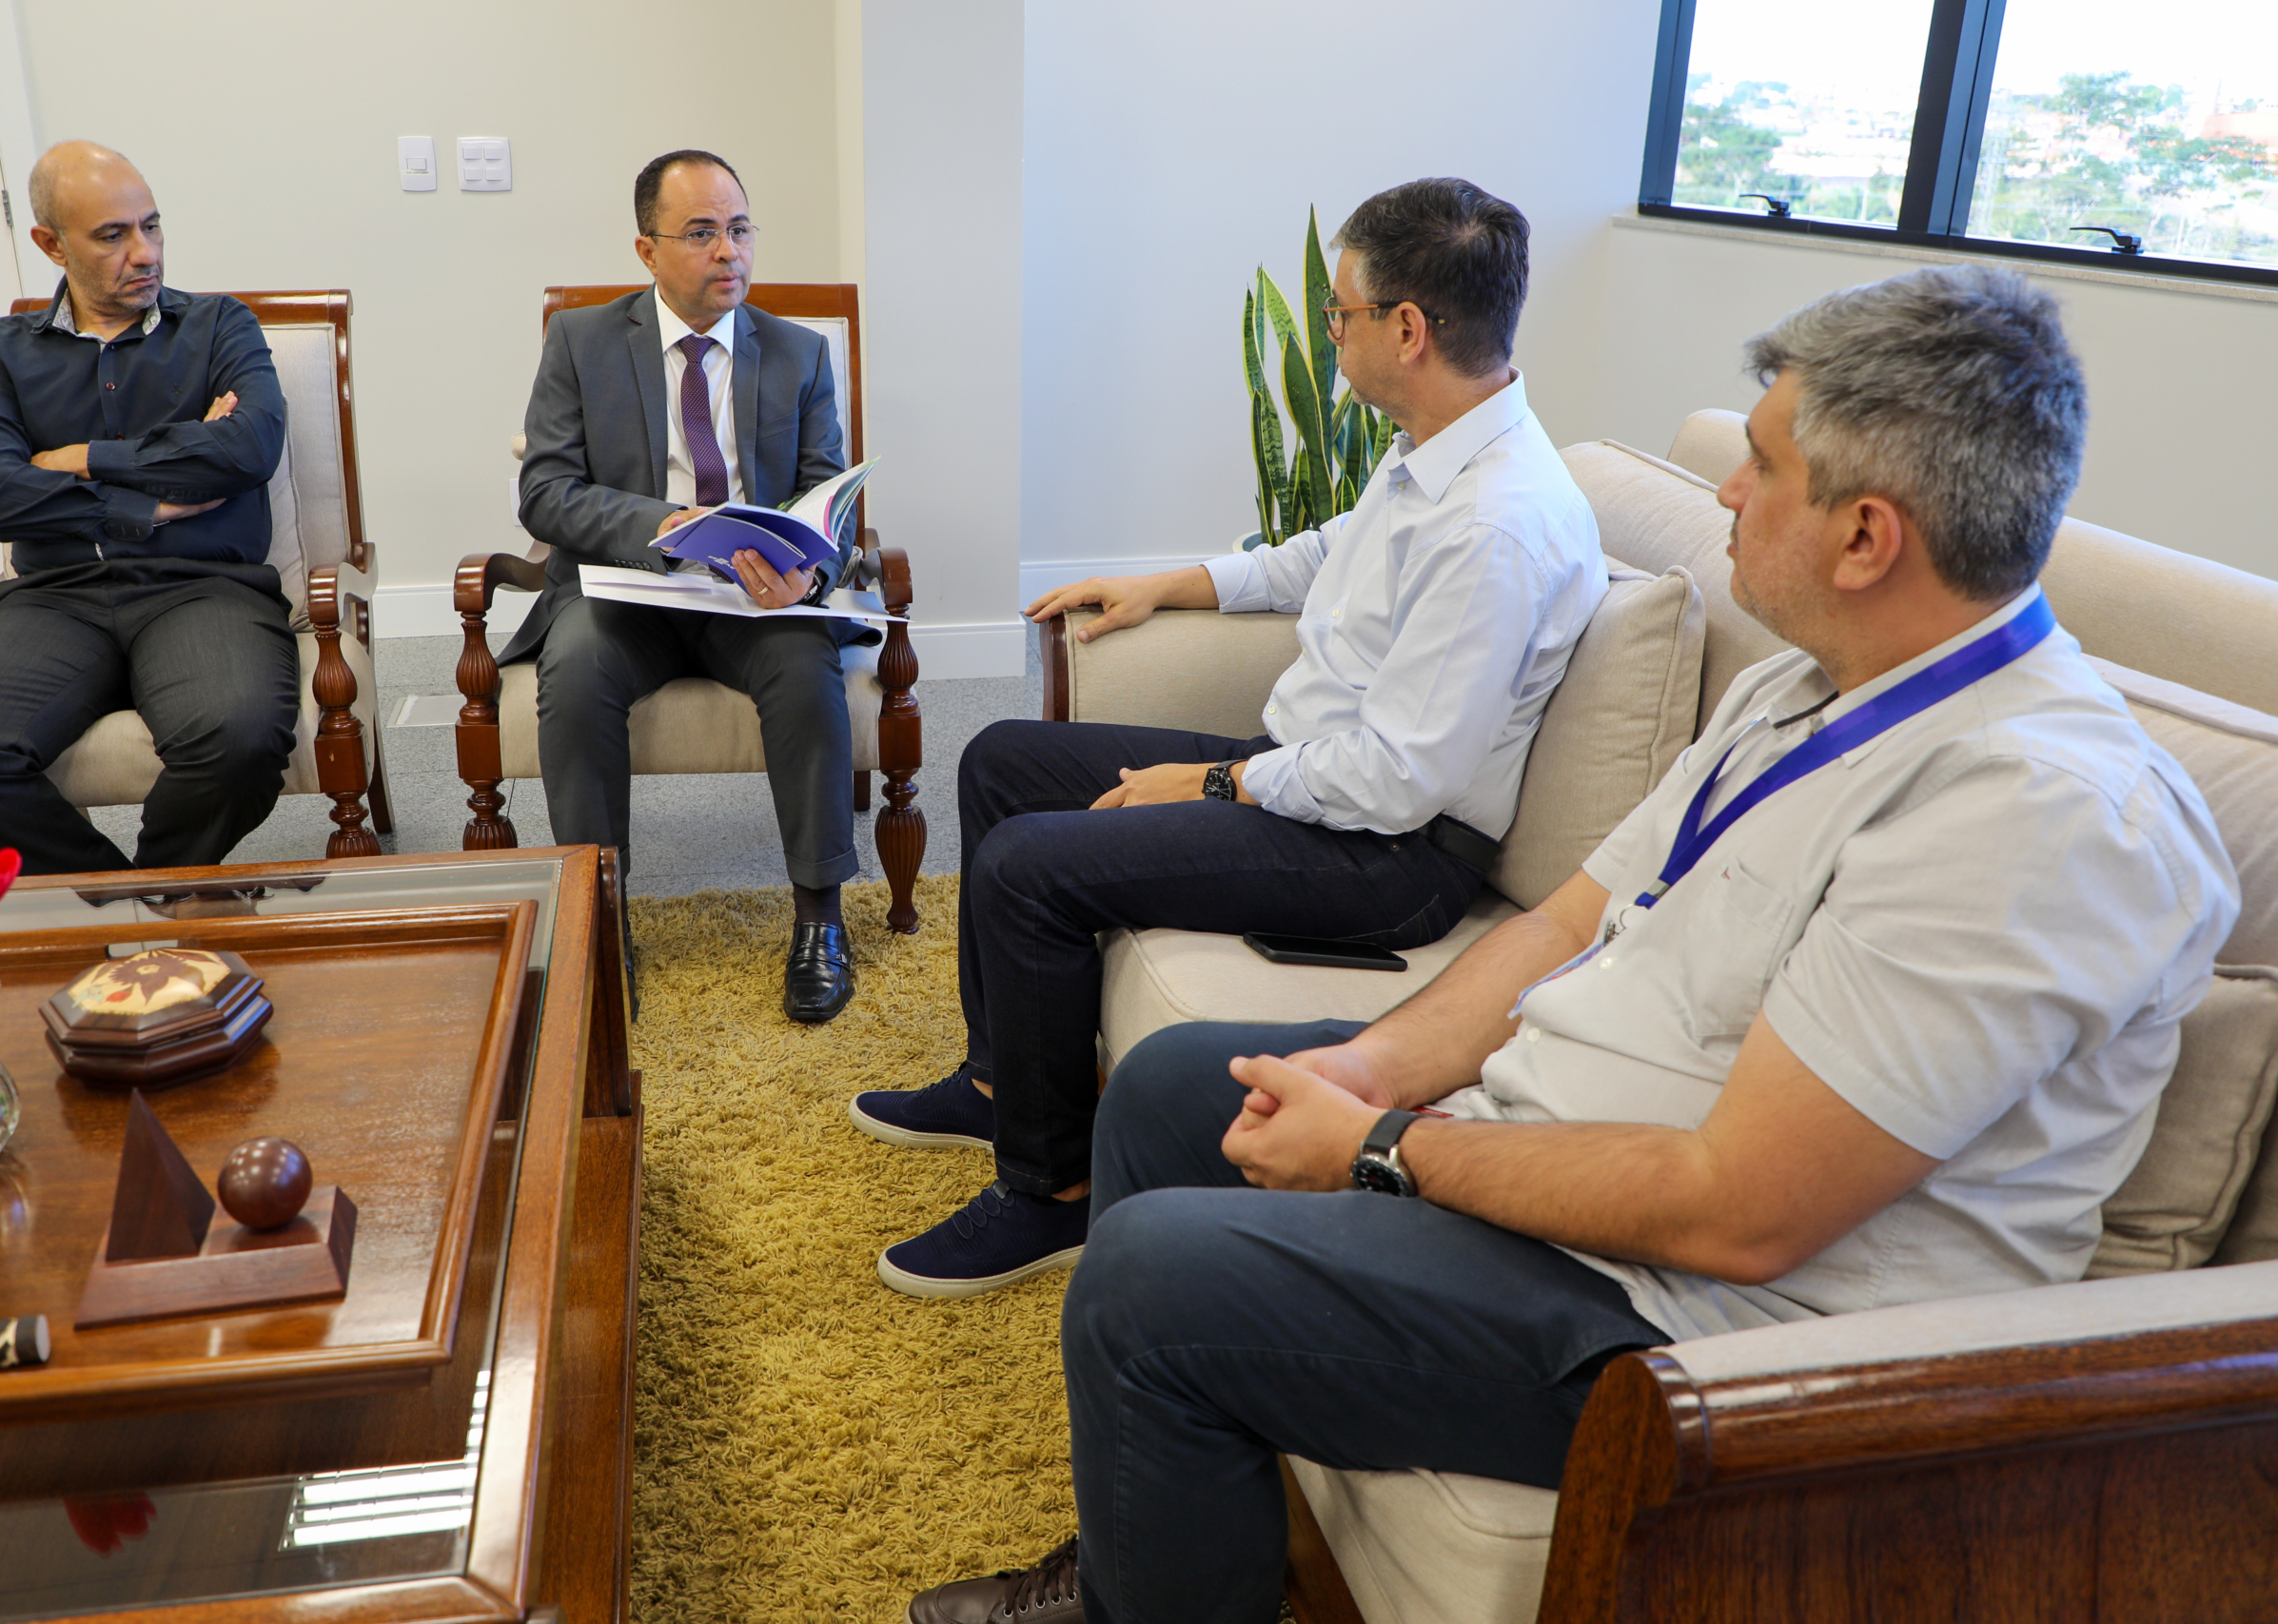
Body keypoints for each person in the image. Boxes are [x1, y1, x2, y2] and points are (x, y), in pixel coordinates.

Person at [902, 264, 2242, 1624]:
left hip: (1712, 1332)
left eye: (1762, 465)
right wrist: (1373, 1066)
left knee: (1148, 1285)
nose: (1724, 490)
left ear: (1866, 536)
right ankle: (1167, 1548)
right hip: (1570, 1146)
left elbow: (1744, 1208)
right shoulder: (1808, 686)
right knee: (1188, 1081)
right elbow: (1563, 918)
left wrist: (1381, 1145)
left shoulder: (2037, 816)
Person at [850, 178, 1607, 1297]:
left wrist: (1213, 784)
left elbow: (1399, 782)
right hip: (1312, 776)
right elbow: (1322, 553)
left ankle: (1051, 1192)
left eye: (1342, 313)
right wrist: (1167, 584)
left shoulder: (1497, 524)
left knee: (1026, 870)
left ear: (1408, 328)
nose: (1331, 332)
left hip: (1389, 857)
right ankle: (1002, 1085)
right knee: (1003, 757)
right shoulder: (1433, 449)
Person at [507, 147, 862, 1023]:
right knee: (578, 666)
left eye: (739, 230)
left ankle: (819, 917)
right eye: (701, 233)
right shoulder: (582, 342)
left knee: (805, 657)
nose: (728, 253)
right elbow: (544, 491)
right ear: (647, 250)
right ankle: (599, 916)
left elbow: (830, 493)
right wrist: (657, 528)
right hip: (627, 590)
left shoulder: (799, 353)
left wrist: (807, 563)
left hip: (748, 597)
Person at [0, 142, 295, 874]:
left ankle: (157, 891)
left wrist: (83, 456)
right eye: (112, 235)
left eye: (151, 226)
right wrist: (158, 505)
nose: (144, 253)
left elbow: (247, 451)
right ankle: (119, 903)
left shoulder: (219, 326)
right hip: (54, 597)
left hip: (202, 588)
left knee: (239, 736)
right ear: (51, 243)